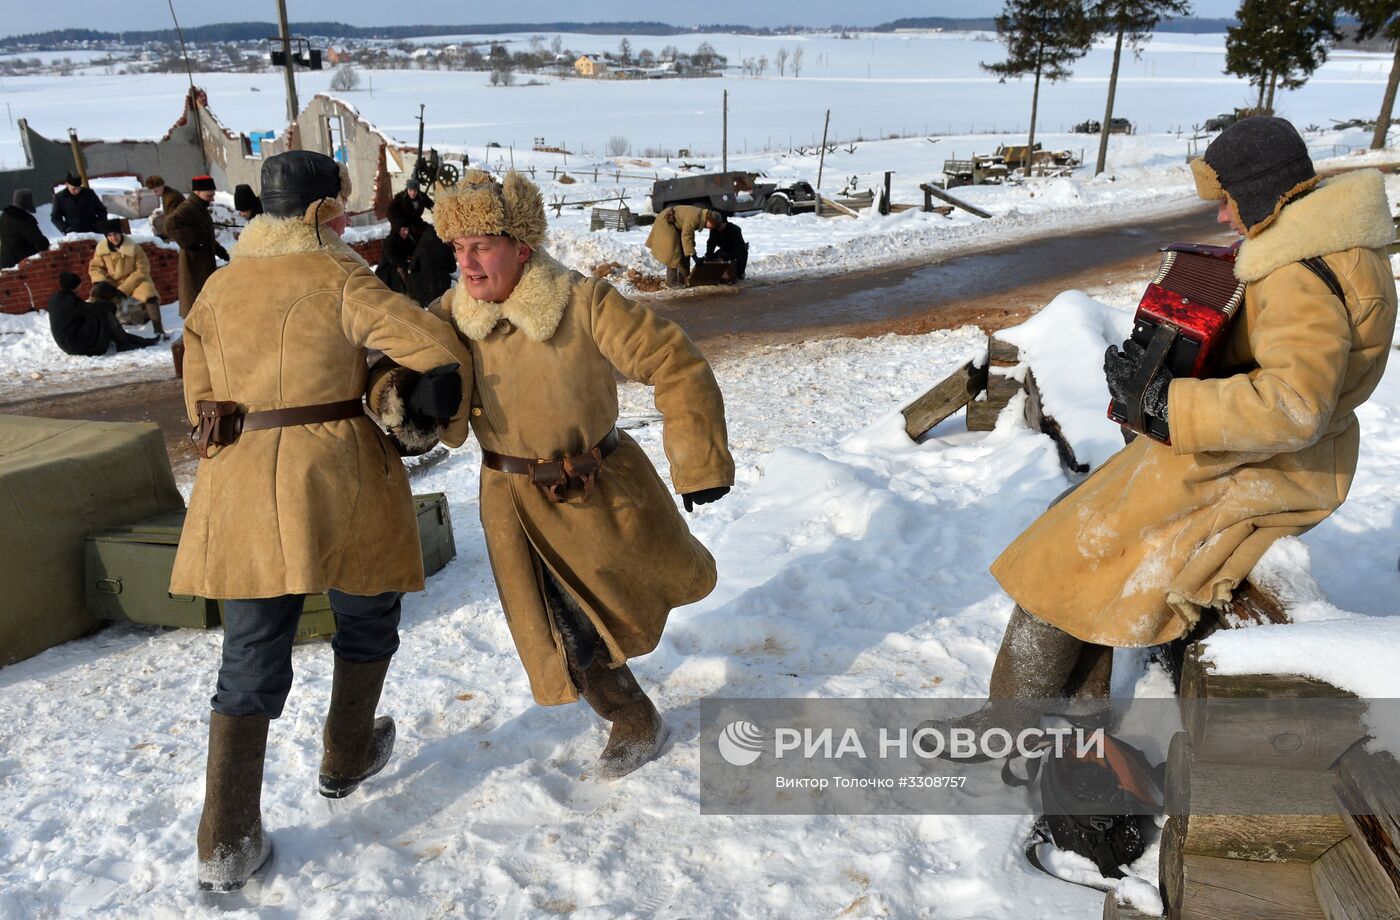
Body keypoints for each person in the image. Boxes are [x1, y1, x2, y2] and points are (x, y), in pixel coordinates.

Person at [982, 117, 1396, 708]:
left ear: (1260, 190)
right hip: (1275, 454)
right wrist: (1166, 366)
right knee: (1077, 524)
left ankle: (1015, 720)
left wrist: (1168, 401)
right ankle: (1069, 712)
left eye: (1227, 200)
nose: (1224, 217)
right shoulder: (1329, 242)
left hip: (1271, 468)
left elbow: (1295, 405)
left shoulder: (1298, 272)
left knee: (1077, 544)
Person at [169, 150, 475, 893]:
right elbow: (434, 354)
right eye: (335, 207)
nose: (341, 217)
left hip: (238, 480)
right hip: (338, 475)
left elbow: (197, 395)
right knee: (367, 611)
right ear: (316, 214)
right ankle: (345, 755)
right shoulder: (341, 277)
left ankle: (226, 839)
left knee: (249, 652)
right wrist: (389, 385)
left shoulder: (219, 287)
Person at [369, 170, 734, 780]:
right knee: (564, 632)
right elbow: (385, 376)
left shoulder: (583, 302)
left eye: (480, 246)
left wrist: (698, 460)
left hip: (597, 496)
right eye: (458, 249)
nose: (467, 264)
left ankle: (632, 714)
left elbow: (676, 361)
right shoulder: (450, 318)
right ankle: (632, 717)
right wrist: (408, 401)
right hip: (511, 505)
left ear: (522, 246)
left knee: (609, 611)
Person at [89, 218, 167, 338]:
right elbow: (95, 267)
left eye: (115, 234)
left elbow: (143, 269)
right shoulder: (101, 249)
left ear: (120, 233)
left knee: (150, 294)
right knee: (96, 293)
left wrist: (124, 288)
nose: (113, 238)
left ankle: (158, 329)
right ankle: (98, 330)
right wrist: (102, 281)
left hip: (134, 280)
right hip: (112, 282)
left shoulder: (134, 247)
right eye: (109, 235)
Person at [46, 272, 157, 355]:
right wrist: (109, 306)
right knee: (104, 313)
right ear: (74, 286)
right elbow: (90, 309)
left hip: (68, 341)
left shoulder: (57, 298)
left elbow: (84, 310)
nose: (81, 286)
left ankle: (136, 341)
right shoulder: (70, 301)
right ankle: (124, 343)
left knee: (102, 312)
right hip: (75, 342)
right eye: (79, 284)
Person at [164, 175, 228, 318]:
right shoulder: (188, 207)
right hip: (194, 262)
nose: (212, 198)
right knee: (195, 296)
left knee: (204, 294)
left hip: (203, 259)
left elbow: (203, 234)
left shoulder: (199, 207)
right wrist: (190, 243)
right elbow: (170, 224)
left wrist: (219, 250)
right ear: (197, 192)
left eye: (213, 195)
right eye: (209, 195)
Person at [645, 204, 712, 287]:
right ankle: (671, 282)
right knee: (673, 251)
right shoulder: (695, 217)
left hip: (675, 224)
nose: (712, 228)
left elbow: (689, 235)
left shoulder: (700, 216)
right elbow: (686, 236)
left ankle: (684, 277)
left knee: (685, 249)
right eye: (712, 224)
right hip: (667, 220)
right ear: (709, 219)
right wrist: (694, 256)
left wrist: (691, 251)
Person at [0, 189, 49, 269]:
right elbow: (40, 243)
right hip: (23, 263)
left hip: (5, 259)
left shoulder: (4, 215)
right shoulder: (24, 220)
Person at [408, 225, 455, 308]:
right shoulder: (445, 247)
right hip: (444, 284)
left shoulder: (421, 247)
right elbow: (452, 268)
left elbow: (413, 268)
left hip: (427, 286)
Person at [701, 210, 748, 281]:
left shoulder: (735, 230)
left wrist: (725, 258)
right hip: (725, 249)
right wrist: (708, 255)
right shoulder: (714, 230)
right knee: (714, 258)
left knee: (738, 275)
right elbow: (711, 243)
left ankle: (740, 273)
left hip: (739, 251)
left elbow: (739, 249)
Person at [374, 223, 415, 294]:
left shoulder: (407, 240)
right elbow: (393, 259)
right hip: (387, 270)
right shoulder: (389, 241)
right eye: (404, 230)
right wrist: (408, 265)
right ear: (398, 230)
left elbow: (414, 252)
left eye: (407, 229)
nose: (406, 232)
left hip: (402, 266)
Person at [145, 174, 184, 241]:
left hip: (183, 226)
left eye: (156, 191)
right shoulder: (167, 193)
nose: (155, 194)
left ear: (161, 185)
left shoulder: (170, 198)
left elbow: (172, 219)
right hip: (179, 221)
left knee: (158, 222)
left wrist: (165, 235)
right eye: (153, 192)